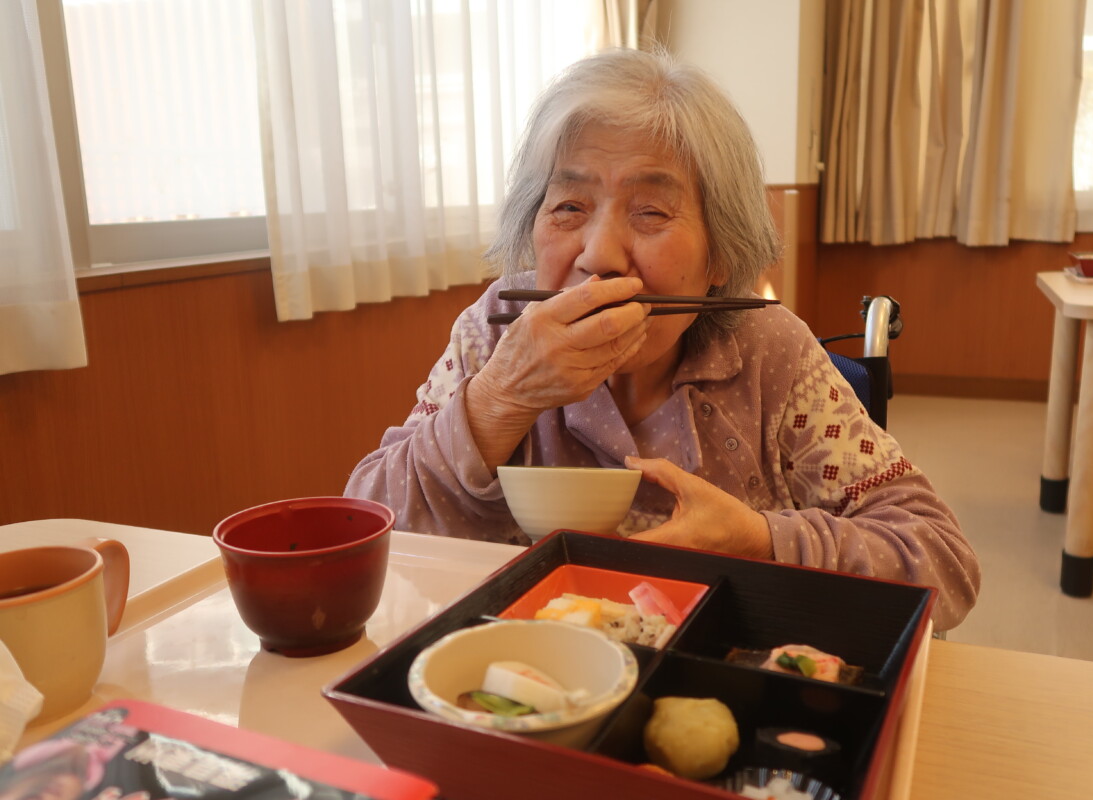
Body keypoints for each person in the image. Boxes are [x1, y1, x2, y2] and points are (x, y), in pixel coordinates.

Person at [344, 48, 980, 631]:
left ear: (720, 255)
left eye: (650, 212)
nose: (598, 255)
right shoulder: (497, 330)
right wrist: (498, 400)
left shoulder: (769, 352)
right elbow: (366, 528)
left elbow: (943, 565)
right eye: (568, 207)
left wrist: (760, 541)